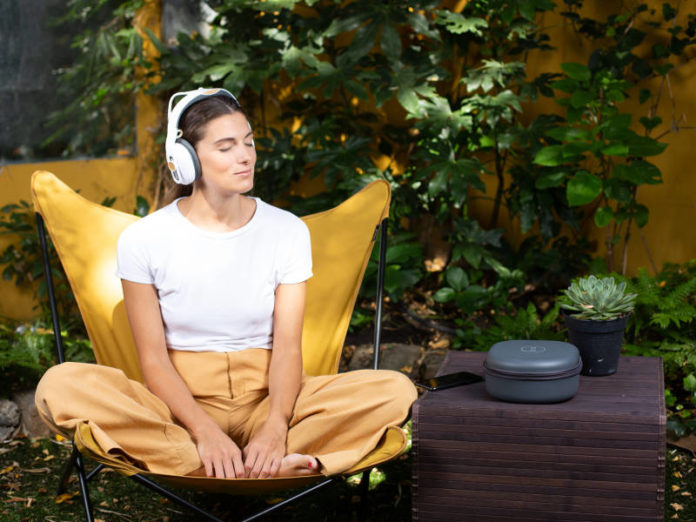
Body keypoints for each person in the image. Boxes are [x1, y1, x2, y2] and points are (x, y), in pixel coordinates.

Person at [35, 88, 417, 479]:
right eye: (226, 146)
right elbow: (153, 361)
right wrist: (204, 431)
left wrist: (275, 427)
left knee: (395, 390)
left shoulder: (287, 231)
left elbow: (287, 349)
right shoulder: (144, 239)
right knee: (61, 384)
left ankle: (240, 459)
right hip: (178, 412)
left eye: (249, 142)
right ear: (185, 160)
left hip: (270, 398)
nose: (245, 156)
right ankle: (237, 462)